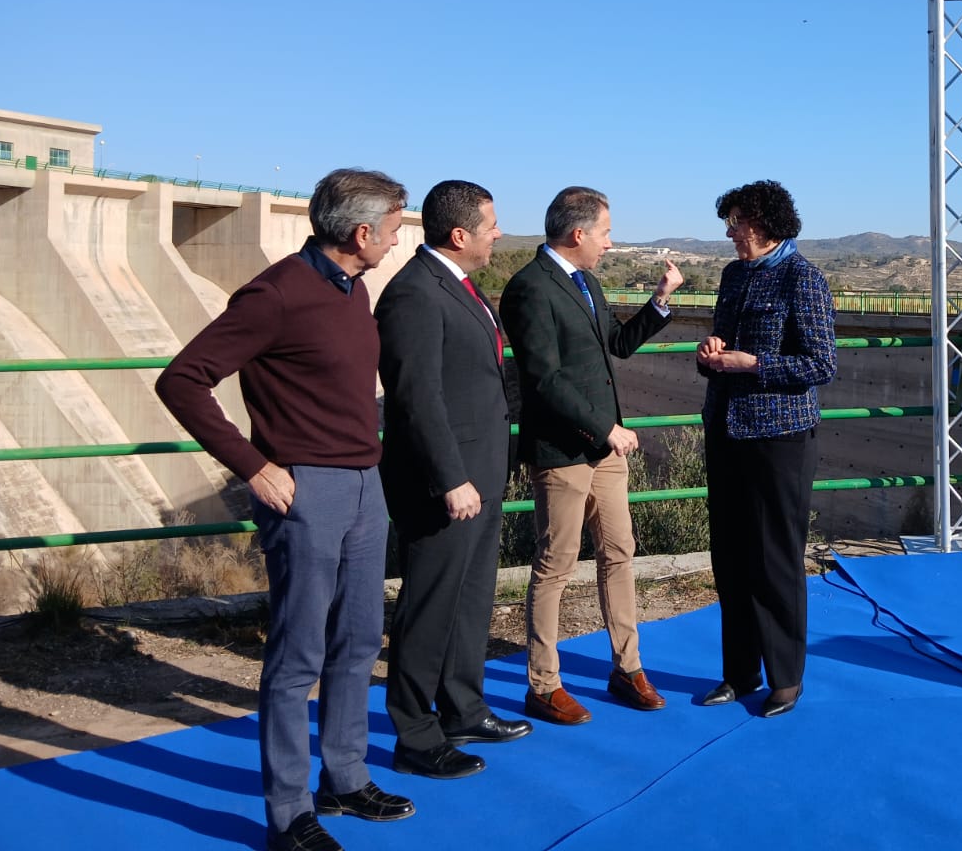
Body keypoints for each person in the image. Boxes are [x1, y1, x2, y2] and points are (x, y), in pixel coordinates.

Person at [155, 168, 413, 851]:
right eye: (393, 227)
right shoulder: (275, 295)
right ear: (361, 232)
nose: (396, 239)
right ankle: (289, 813)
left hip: (365, 484)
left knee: (358, 639)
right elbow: (182, 380)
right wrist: (255, 467)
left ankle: (346, 778)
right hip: (305, 492)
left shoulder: (352, 287)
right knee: (298, 654)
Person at [499, 186, 683, 724]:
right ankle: (543, 683)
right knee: (555, 565)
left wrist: (661, 301)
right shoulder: (529, 288)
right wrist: (606, 428)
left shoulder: (587, 282)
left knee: (618, 554)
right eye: (605, 232)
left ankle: (628, 668)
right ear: (578, 234)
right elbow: (544, 380)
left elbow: (618, 346)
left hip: (604, 450)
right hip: (562, 451)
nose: (609, 242)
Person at [375, 180, 529, 781]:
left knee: (471, 599)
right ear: (459, 234)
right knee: (431, 603)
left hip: (481, 473)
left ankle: (463, 707)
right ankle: (414, 732)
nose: (497, 234)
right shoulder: (414, 293)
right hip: (446, 483)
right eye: (491, 224)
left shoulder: (460, 286)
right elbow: (417, 398)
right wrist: (450, 477)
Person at [695, 180, 836, 719]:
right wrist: (710, 352)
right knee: (729, 557)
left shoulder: (804, 279)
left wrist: (753, 364)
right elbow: (720, 350)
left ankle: (785, 678)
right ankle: (738, 672)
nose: (729, 233)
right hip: (727, 429)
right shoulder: (733, 275)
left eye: (735, 222)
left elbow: (821, 365)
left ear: (763, 222)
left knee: (775, 558)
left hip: (780, 439)